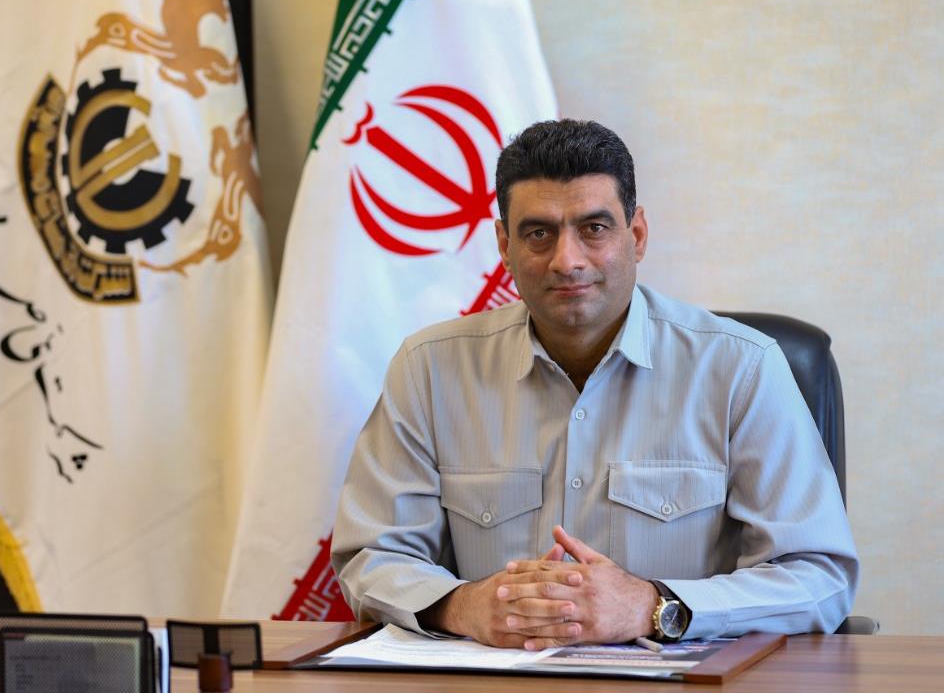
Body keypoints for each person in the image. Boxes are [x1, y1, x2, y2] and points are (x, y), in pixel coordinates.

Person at [330, 119, 858, 650]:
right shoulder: (428, 369)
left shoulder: (741, 368)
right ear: (504, 245)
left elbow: (818, 575)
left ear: (637, 235)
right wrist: (464, 606)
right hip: (495, 679)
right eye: (539, 233)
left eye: (594, 228)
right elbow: (373, 555)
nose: (567, 261)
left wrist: (653, 606)